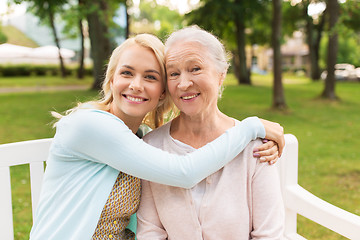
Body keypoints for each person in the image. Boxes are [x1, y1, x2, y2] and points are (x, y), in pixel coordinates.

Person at [30, 33, 284, 240]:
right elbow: (183, 173)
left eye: (150, 77)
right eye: (127, 73)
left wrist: (252, 136)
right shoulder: (88, 125)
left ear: (162, 93)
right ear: (111, 80)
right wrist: (250, 127)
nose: (137, 85)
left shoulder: (141, 138)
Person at [136, 26, 285, 239]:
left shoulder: (257, 148)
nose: (184, 83)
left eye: (195, 68)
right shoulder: (152, 146)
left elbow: (269, 234)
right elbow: (149, 233)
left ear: (221, 74)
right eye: (174, 73)